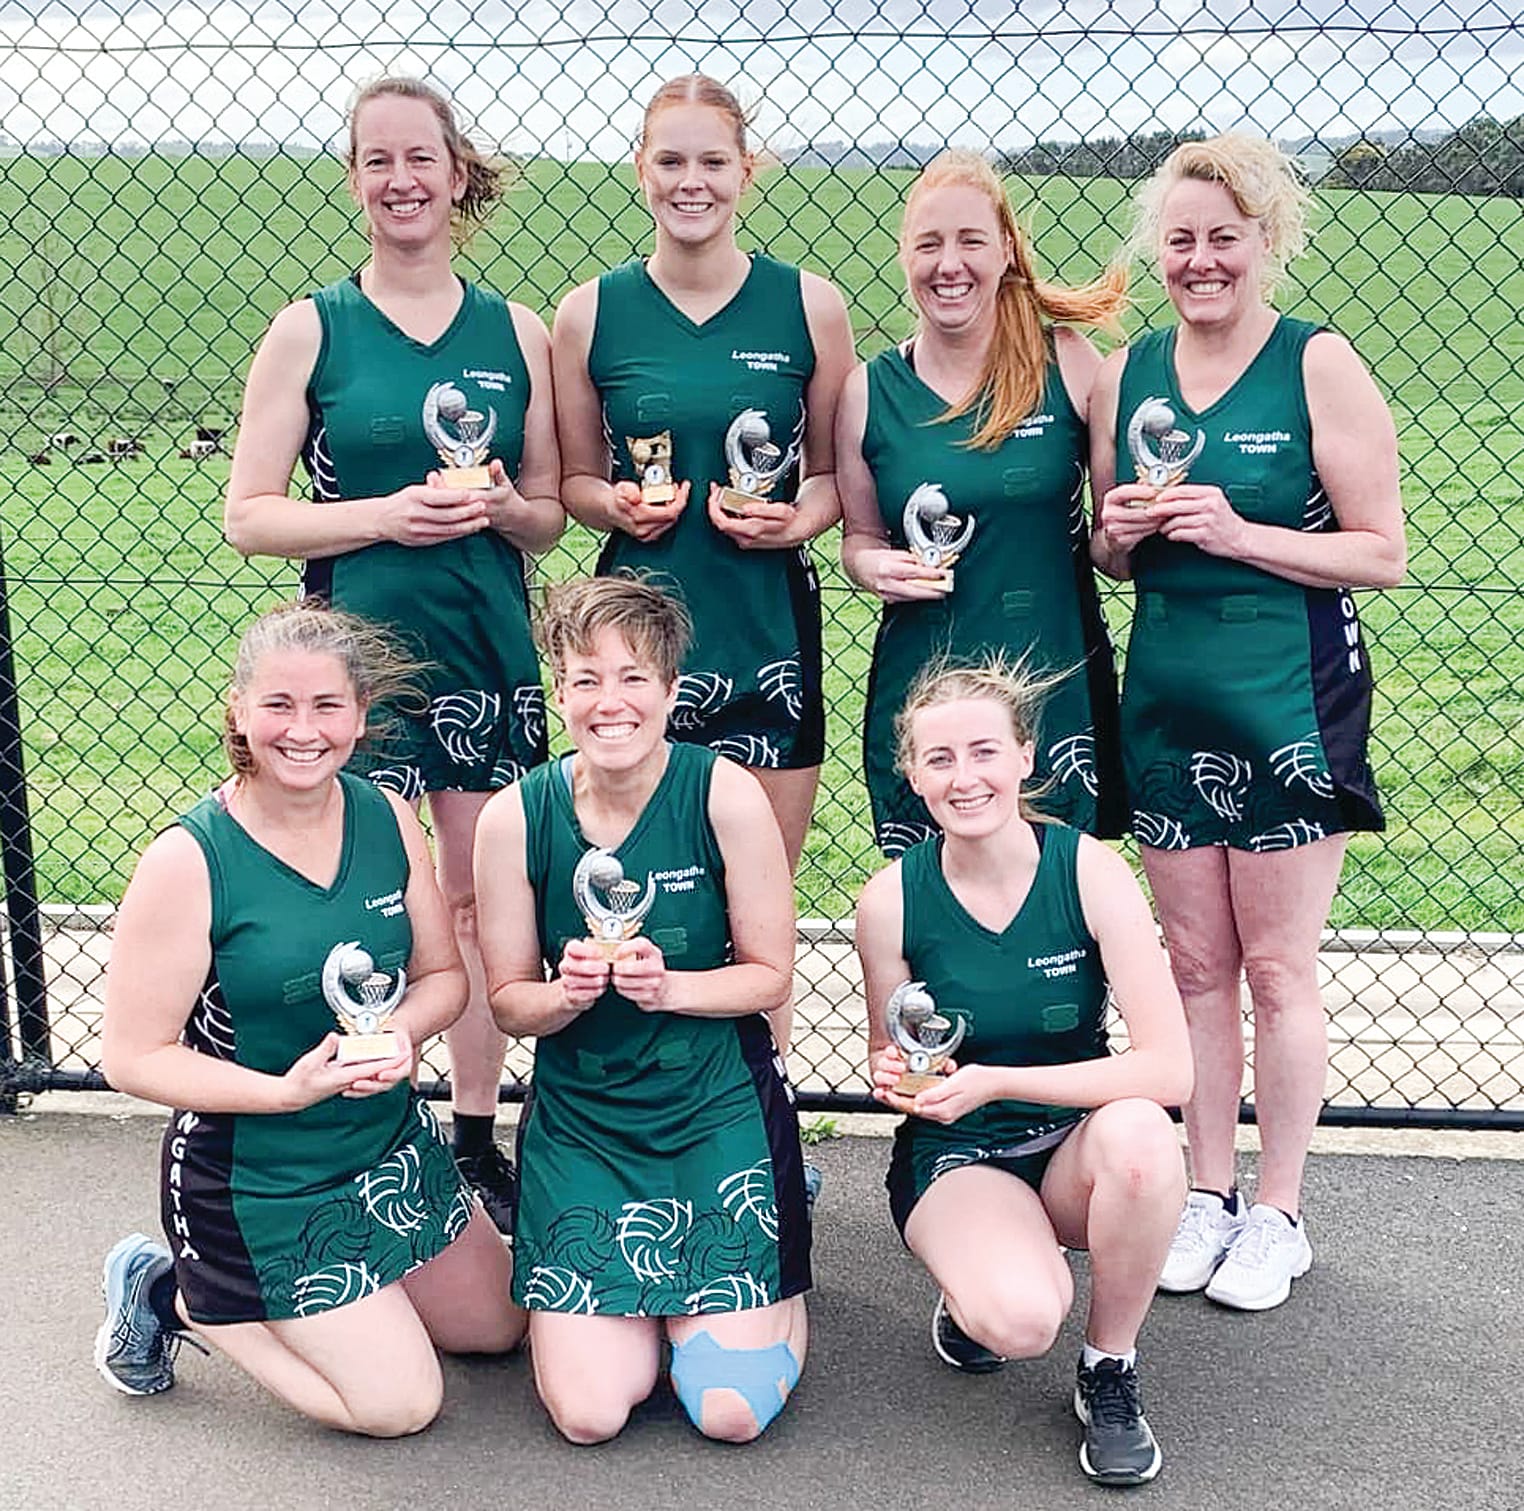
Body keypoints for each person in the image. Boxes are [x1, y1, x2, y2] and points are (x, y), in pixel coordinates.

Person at [224, 75, 565, 1233]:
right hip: (351, 676)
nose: (402, 180)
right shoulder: (311, 327)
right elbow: (250, 513)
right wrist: (383, 513)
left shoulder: (518, 331)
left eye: (421, 157)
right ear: (356, 179)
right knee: (368, 906)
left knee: (472, 907)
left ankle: (474, 1134)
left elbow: (552, 512)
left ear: (458, 171)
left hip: (485, 653)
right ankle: (360, 1127)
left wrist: (502, 505)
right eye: (378, 160)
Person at [1090, 134, 1405, 1310]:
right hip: (1169, 691)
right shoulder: (1130, 375)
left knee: (1278, 964)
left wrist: (1240, 533)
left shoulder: (1316, 363)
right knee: (1195, 965)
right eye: (1180, 239)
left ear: (1266, 243)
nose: (1201, 259)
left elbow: (1382, 552)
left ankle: (1279, 1210)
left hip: (1292, 692)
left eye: (1225, 237)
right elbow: (1110, 547)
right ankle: (1206, 1192)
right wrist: (1119, 536)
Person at [94, 602, 523, 1434]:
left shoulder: (387, 815)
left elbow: (442, 978)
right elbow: (131, 1055)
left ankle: (358, 1294)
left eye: (327, 706)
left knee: (498, 1327)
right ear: (239, 712)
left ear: (360, 716)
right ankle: (175, 1293)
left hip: (382, 1144)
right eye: (279, 705)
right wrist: (284, 1092)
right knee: (399, 1404)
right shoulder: (190, 860)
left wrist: (401, 1030)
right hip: (259, 1177)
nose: (303, 730)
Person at [474, 576, 810, 1445]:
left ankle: (779, 1278)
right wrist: (566, 993)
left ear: (669, 690)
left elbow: (770, 973)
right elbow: (510, 1001)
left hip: (713, 1108)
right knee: (591, 1412)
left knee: (728, 1411)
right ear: (559, 693)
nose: (608, 701)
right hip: (587, 1124)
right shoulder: (517, 816)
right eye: (585, 679)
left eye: (632, 677)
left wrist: (677, 987)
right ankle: (667, 1312)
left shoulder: (723, 793)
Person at [855, 657, 1191, 1487]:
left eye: (984, 751)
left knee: (1145, 1135)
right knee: (1019, 1320)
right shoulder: (890, 899)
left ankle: (1108, 1368)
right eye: (939, 759)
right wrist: (898, 1076)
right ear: (912, 774)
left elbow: (1171, 1067)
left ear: (1025, 756)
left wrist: (1001, 1079)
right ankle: (976, 1286)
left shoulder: (1090, 869)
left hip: (1074, 1137)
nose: (965, 777)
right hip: (962, 1149)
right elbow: (892, 1050)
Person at [552, 72, 855, 881]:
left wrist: (795, 521)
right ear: (640, 169)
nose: (694, 183)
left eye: (714, 163)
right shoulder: (589, 313)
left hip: (766, 624)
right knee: (640, 884)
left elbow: (833, 475)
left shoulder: (810, 306)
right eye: (672, 162)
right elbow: (574, 480)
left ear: (747, 172)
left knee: (761, 895)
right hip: (634, 634)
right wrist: (613, 503)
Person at [838, 149, 1129, 857]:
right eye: (929, 245)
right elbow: (860, 539)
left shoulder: (1069, 364)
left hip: (1052, 681)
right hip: (927, 688)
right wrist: (874, 568)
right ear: (904, 256)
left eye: (970, 241)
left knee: (1057, 901)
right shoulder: (868, 391)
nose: (950, 264)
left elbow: (1114, 549)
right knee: (936, 907)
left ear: (1005, 249)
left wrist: (1130, 533)